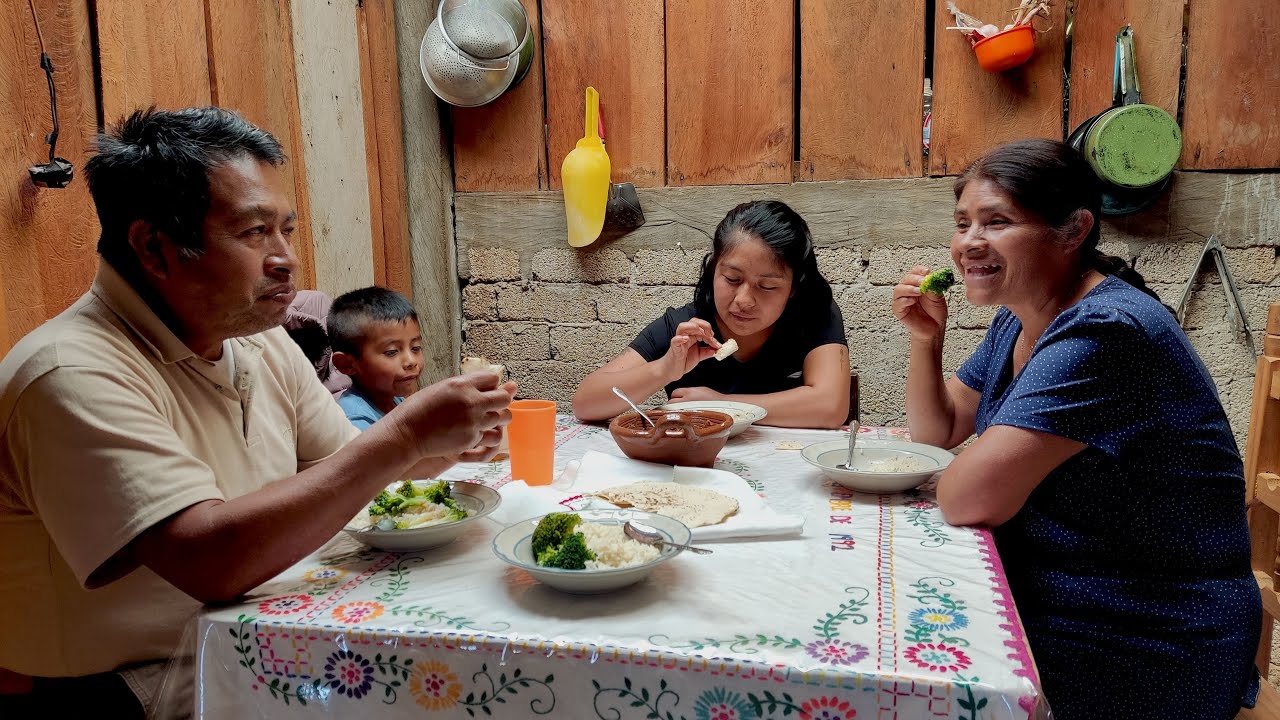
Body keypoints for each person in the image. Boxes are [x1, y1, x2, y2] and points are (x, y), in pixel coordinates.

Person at [0, 107, 515, 718]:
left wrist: (439, 445)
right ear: (155, 248)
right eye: (253, 233)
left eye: (286, 230)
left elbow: (345, 468)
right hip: (131, 686)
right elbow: (207, 563)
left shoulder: (257, 338)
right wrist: (404, 437)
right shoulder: (70, 373)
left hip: (262, 632)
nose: (285, 259)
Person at [892, 138, 1261, 719]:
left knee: (911, 674)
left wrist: (974, 469)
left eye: (998, 222)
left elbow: (966, 498)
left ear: (1073, 230)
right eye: (963, 224)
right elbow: (936, 430)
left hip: (1145, 633)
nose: (969, 243)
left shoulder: (1105, 331)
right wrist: (925, 340)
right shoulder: (1022, 317)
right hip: (1069, 594)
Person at [572, 200, 850, 428]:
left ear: (793, 288)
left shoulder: (814, 314)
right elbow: (586, 403)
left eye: (767, 286)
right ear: (713, 269)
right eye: (732, 279)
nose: (744, 300)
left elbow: (830, 407)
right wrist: (664, 369)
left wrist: (720, 405)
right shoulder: (685, 327)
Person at [328, 286, 422, 430]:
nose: (411, 361)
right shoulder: (354, 422)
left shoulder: (394, 399)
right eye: (391, 352)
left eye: (415, 348)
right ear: (347, 364)